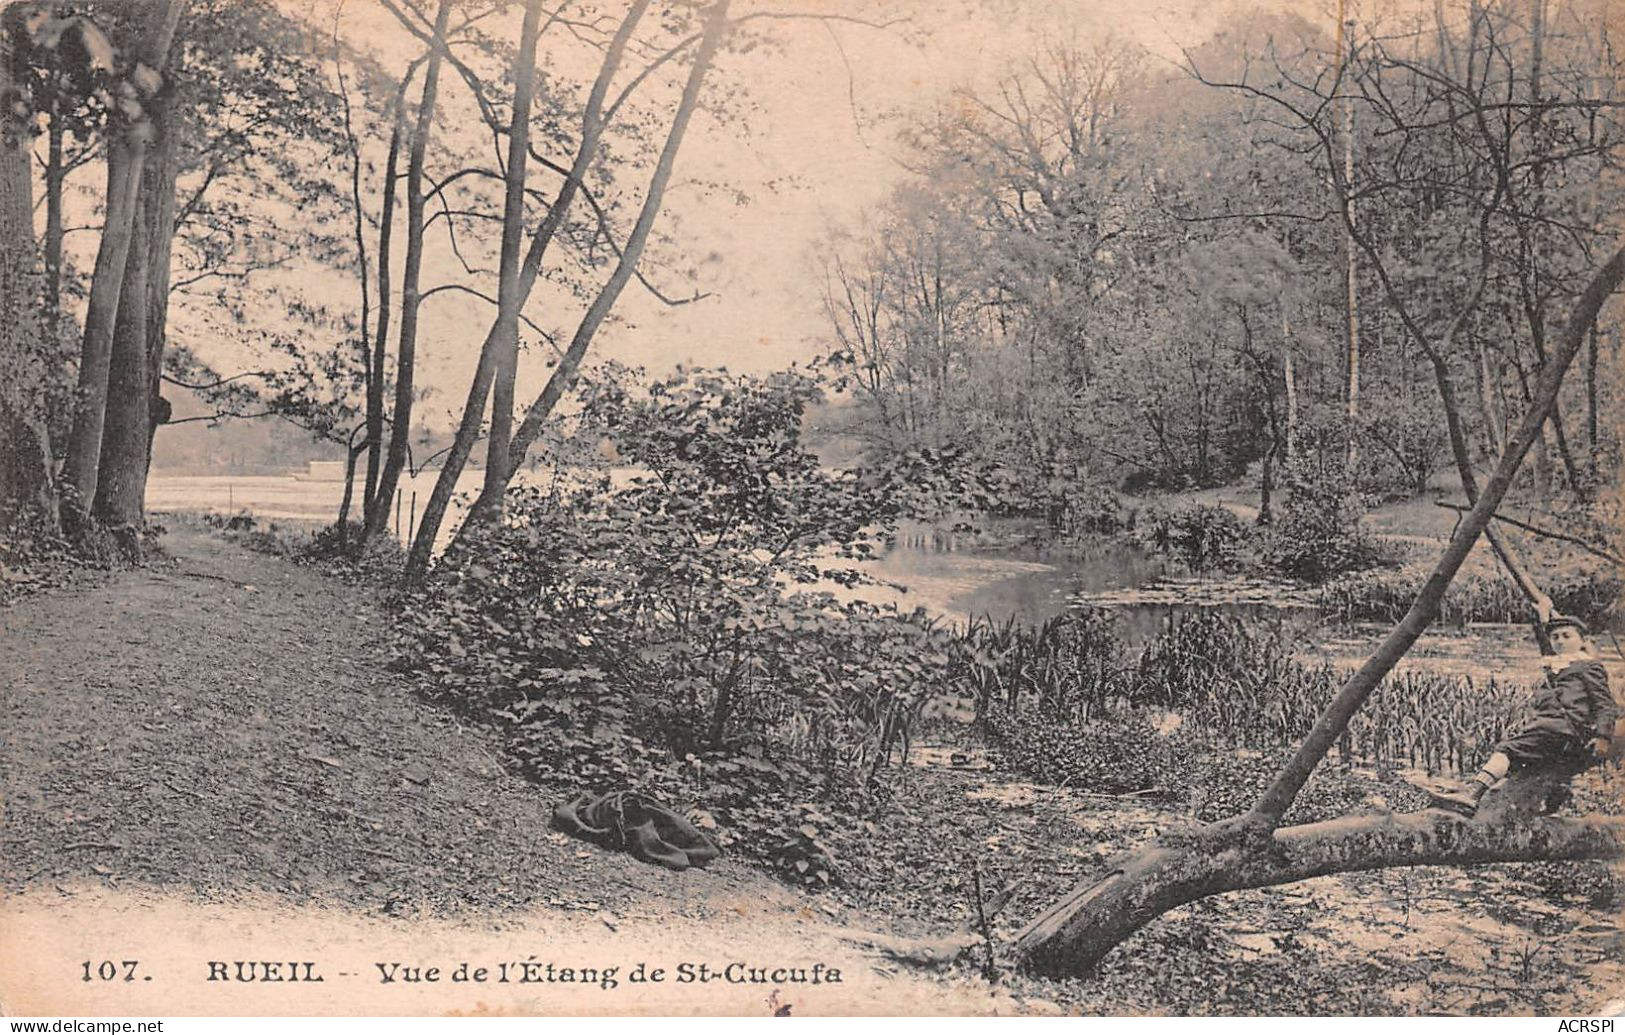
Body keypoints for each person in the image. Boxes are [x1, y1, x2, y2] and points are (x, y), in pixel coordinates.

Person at [1431, 614, 1617, 817]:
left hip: (1561, 728)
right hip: (1552, 728)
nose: (1560, 641)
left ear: (1582, 641)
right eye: (1555, 637)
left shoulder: (1589, 666)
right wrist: (1541, 613)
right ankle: (1546, 812)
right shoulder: (1558, 665)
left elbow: (1605, 705)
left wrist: (1603, 737)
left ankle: (1472, 794)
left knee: (1506, 750)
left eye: (1567, 636)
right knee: (1530, 769)